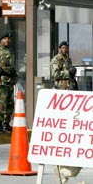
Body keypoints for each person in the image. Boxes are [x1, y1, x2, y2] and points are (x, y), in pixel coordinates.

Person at [50, 41, 81, 183]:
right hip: (61, 92)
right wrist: (69, 72)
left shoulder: (68, 59)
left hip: (70, 90)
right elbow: (55, 74)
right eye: (63, 47)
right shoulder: (56, 60)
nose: (65, 49)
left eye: (66, 47)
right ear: (59, 49)